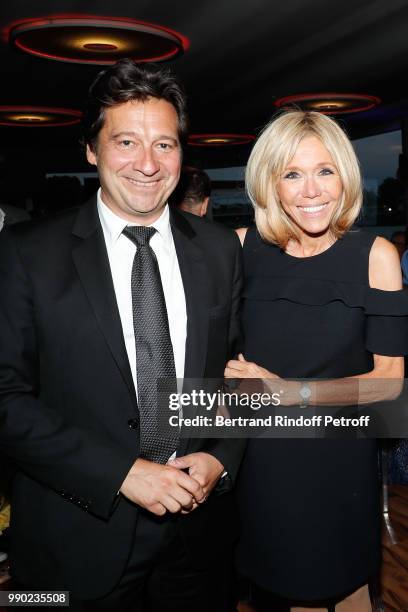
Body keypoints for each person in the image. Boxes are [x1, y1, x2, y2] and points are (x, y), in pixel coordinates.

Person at [0, 59, 244, 611]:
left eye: (164, 144)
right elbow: (5, 399)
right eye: (126, 141)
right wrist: (122, 474)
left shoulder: (220, 249)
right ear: (91, 150)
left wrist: (221, 457)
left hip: (196, 543)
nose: (147, 163)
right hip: (71, 542)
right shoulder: (24, 253)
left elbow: (231, 376)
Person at [225, 111, 407, 612]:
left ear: (345, 177)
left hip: (338, 453)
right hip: (264, 459)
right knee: (282, 582)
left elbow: (390, 383)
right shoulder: (240, 249)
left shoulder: (376, 255)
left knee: (347, 580)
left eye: (325, 171)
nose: (311, 191)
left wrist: (290, 393)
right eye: (292, 174)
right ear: (270, 184)